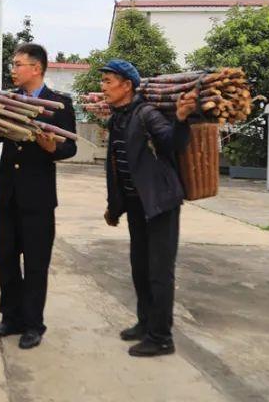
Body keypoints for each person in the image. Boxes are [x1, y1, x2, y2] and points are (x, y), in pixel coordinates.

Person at [0, 43, 77, 349]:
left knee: (36, 263)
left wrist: (51, 148)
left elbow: (71, 147)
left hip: (38, 199)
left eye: (18, 64)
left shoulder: (59, 104)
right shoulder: (7, 101)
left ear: (37, 68)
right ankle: (10, 318)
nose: (13, 69)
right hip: (6, 196)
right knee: (6, 259)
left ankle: (33, 324)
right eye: (13, 64)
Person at [99, 59, 197, 357]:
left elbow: (172, 145)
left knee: (159, 272)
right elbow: (115, 165)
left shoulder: (146, 113)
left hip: (160, 204)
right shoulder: (118, 117)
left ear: (127, 85)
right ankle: (145, 324)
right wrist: (114, 206)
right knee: (140, 268)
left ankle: (162, 337)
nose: (102, 87)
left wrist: (180, 119)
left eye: (108, 81)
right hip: (136, 205)